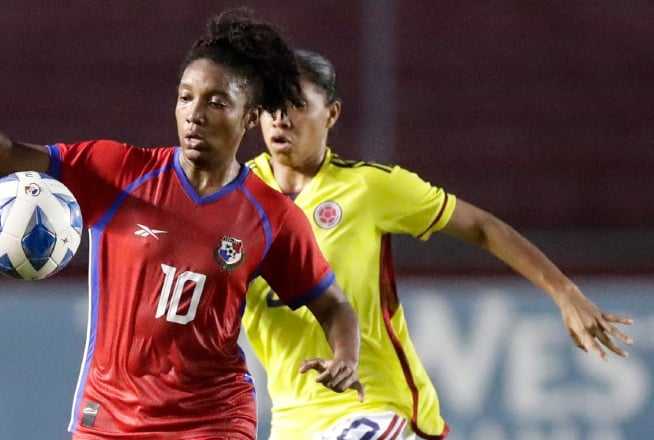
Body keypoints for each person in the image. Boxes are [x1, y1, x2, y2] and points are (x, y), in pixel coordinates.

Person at [0, 12, 365, 440]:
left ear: (250, 117)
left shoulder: (271, 216)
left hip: (212, 419)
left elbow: (332, 304)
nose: (195, 114)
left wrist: (345, 357)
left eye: (216, 102)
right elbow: (2, 157)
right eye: (186, 97)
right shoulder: (118, 172)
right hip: (109, 417)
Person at [241, 49, 635, 440]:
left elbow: (481, 226)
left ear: (331, 113)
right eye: (271, 104)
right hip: (292, 421)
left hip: (376, 405)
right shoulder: (238, 196)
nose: (280, 119)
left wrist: (564, 292)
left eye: (296, 104)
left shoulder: (369, 187)